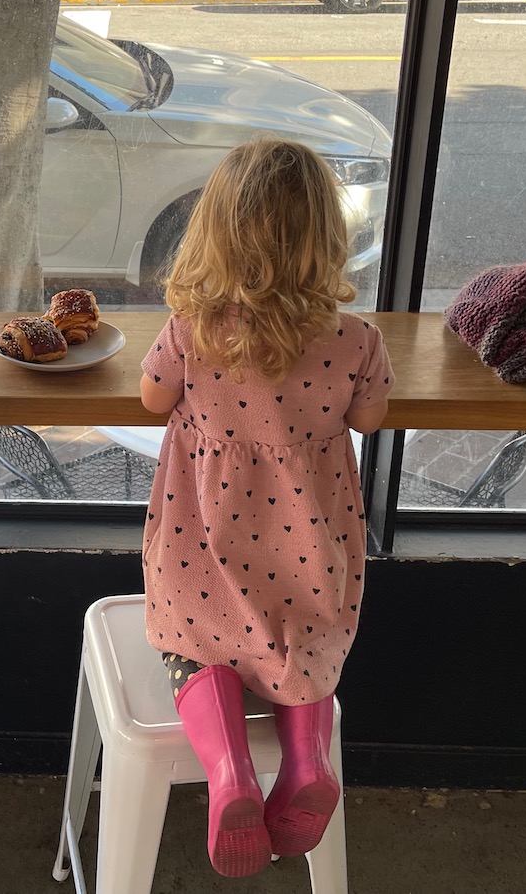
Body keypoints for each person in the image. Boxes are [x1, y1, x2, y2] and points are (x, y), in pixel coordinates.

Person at [139, 139, 393, 878]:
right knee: (306, 644)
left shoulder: (193, 331)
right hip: (305, 560)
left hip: (204, 558)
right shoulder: (356, 341)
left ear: (213, 231)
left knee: (190, 644)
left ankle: (230, 775)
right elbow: (371, 419)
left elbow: (153, 398)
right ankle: (307, 759)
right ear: (326, 239)